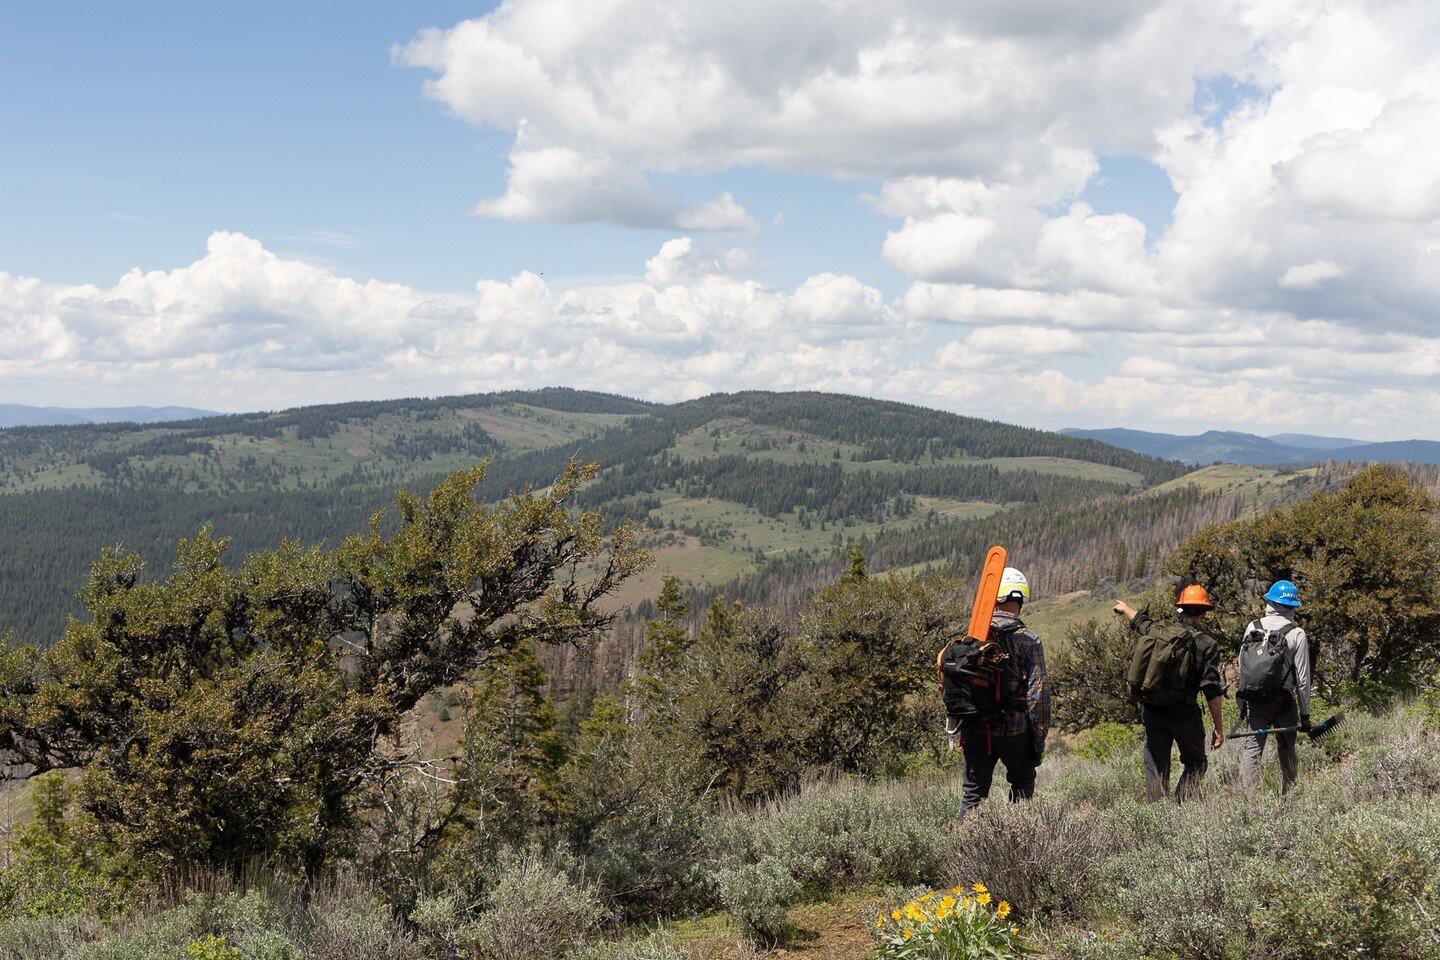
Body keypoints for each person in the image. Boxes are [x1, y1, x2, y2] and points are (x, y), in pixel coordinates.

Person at [1114, 585, 1225, 803]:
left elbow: (1140, 622)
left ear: (1180, 608)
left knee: (1156, 765)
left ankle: (1157, 815)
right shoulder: (1207, 644)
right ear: (1204, 612)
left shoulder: (1159, 630)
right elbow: (1211, 690)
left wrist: (1125, 608)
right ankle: (1182, 805)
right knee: (1196, 762)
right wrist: (1219, 728)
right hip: (1184, 713)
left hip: (1153, 709)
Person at [958, 567, 1050, 816]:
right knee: (1022, 784)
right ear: (1020, 600)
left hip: (976, 730)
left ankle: (964, 851)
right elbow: (1038, 697)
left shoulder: (972, 637)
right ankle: (1015, 847)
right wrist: (1038, 744)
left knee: (973, 794)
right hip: (1014, 731)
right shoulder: (1029, 640)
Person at [1236, 579, 1312, 794]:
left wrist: (1243, 703)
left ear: (1270, 602)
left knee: (1252, 749)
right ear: (1291, 607)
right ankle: (1289, 796)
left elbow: (1243, 665)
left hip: (1255, 701)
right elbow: (1303, 679)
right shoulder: (1296, 634)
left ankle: (1245, 803)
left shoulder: (1253, 627)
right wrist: (1305, 715)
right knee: (1287, 748)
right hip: (1283, 702)